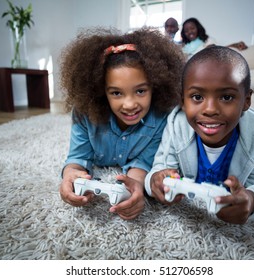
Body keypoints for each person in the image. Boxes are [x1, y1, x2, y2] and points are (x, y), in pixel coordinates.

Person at [144, 46, 254, 224]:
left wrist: (250, 202)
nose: (210, 110)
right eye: (197, 97)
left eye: (226, 97)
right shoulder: (176, 126)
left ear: (246, 101)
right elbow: (158, 171)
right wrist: (154, 182)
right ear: (182, 101)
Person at [59, 27, 184, 220]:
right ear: (101, 91)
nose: (130, 104)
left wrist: (134, 186)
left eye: (140, 91)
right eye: (116, 93)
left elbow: (143, 163)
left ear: (155, 87)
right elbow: (77, 157)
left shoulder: (162, 117)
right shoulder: (85, 113)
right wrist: (71, 176)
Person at [181, 17, 247, 60]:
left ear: (198, 28)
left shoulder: (208, 40)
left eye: (192, 28)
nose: (190, 32)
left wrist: (233, 45)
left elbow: (218, 51)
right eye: (186, 31)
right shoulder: (183, 46)